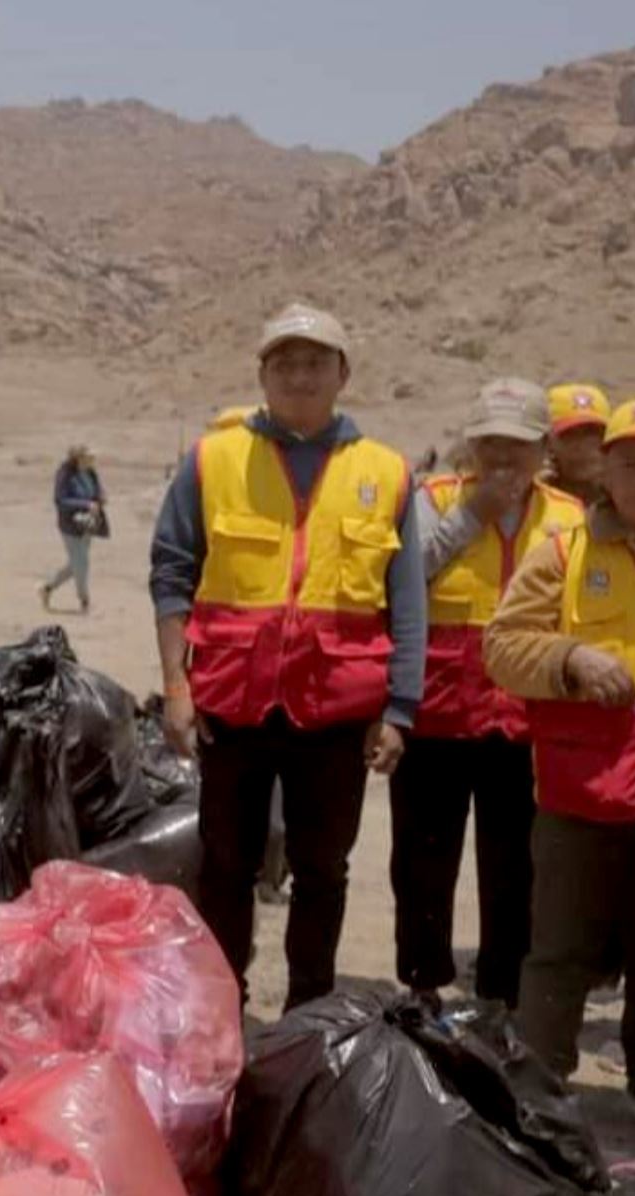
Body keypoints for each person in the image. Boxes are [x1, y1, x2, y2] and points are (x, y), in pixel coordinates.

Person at [150, 302, 424, 1011]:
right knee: (226, 867)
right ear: (263, 375)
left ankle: (310, 1009)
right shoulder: (214, 459)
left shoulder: (386, 473)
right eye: (285, 363)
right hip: (233, 704)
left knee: (324, 870)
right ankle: (220, 1005)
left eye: (315, 363)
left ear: (343, 374)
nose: (300, 376)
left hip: (335, 710)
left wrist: (399, 708)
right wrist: (177, 687)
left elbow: (407, 602)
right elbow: (172, 572)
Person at [484, 396, 635, 1101]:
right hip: (579, 796)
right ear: (604, 468)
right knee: (558, 956)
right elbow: (503, 647)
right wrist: (571, 658)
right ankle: (539, 1094)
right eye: (628, 462)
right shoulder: (564, 552)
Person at [391, 378, 584, 1009]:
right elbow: (406, 577)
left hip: (526, 721)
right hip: (438, 714)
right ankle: (423, 986)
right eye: (490, 444)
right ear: (470, 445)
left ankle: (502, 997)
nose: (503, 460)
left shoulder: (567, 515)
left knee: (514, 868)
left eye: (518, 446)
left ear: (543, 450)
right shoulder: (433, 497)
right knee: (423, 861)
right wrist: (471, 517)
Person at [39, 443, 106, 613]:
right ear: (79, 458)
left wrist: (100, 500)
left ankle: (47, 588)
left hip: (88, 524)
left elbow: (97, 492)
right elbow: (60, 499)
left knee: (75, 564)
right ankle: (84, 600)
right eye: (88, 457)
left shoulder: (91, 473)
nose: (92, 460)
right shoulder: (66, 474)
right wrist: (85, 504)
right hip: (70, 525)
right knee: (82, 562)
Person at [545, 381, 611, 507]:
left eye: (592, 432)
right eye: (569, 434)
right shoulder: (532, 499)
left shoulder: (628, 499)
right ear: (548, 443)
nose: (581, 446)